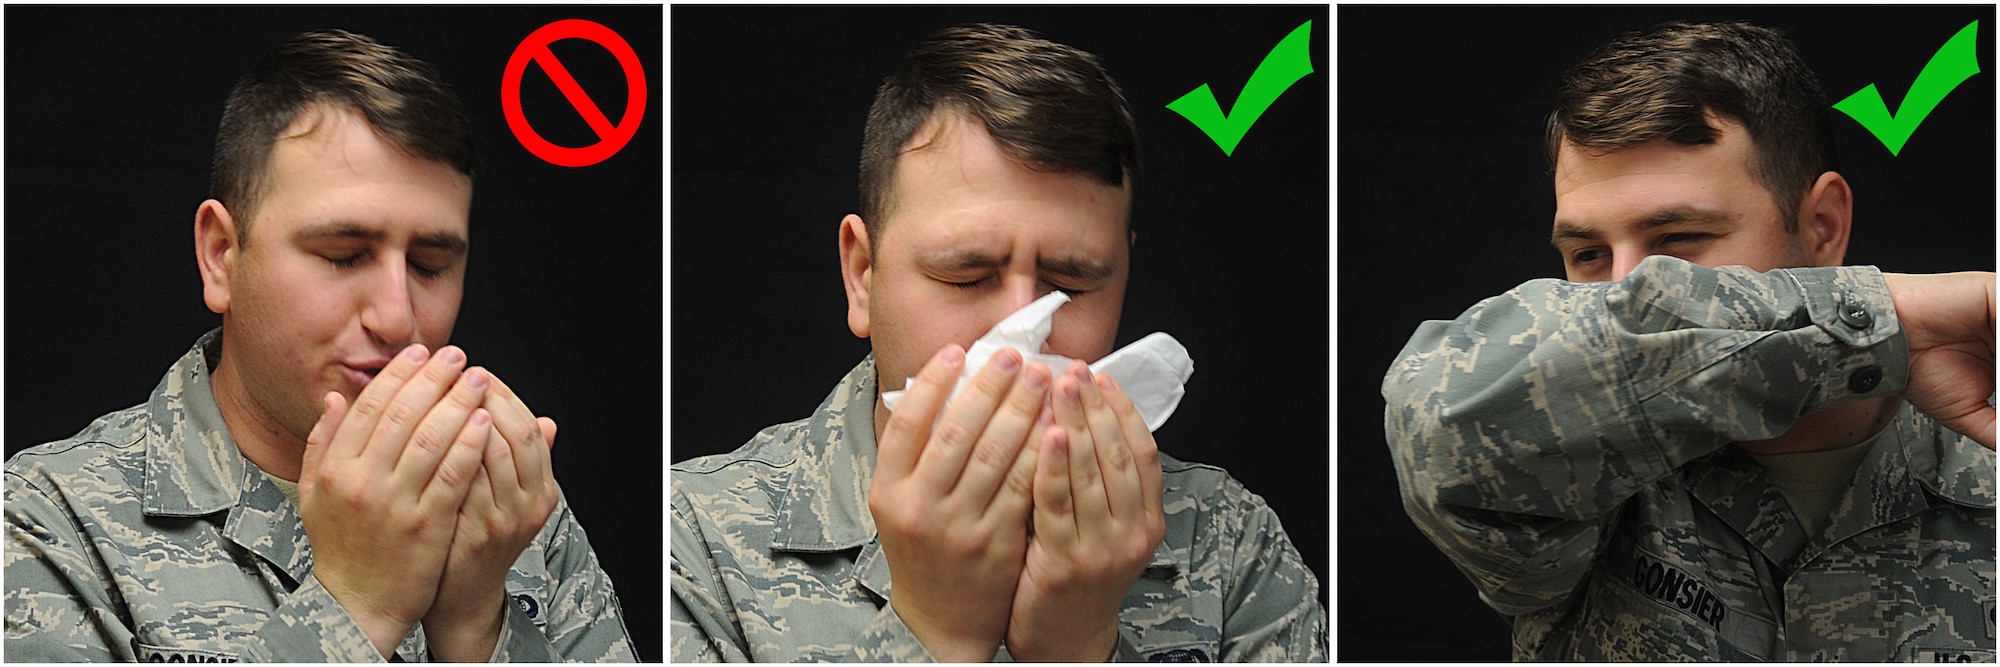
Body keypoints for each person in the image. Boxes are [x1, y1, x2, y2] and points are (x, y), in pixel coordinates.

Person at [670, 23, 1326, 662]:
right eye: (967, 275)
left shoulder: (1233, 544)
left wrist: (1081, 649)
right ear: (862, 276)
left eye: (1070, 282)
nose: (1022, 335)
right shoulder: (697, 541)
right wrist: (933, 634)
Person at [3, 30, 634, 662]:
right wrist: (358, 606)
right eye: (343, 255)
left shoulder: (512, 514)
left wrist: (474, 629)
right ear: (221, 255)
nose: (396, 315)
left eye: (430, 264)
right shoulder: (48, 524)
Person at [1383, 20, 1996, 661]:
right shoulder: (1571, 468)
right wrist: (1881, 317)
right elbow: (1434, 425)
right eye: (1588, 252)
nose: (1620, 295)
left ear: (1822, 225)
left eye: (1677, 241)